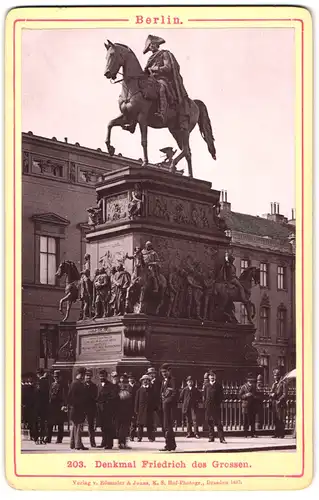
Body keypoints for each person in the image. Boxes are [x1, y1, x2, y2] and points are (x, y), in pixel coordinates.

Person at [143, 34, 189, 125]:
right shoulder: (150, 58)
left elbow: (168, 67)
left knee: (161, 88)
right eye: (149, 46)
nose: (151, 47)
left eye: (152, 45)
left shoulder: (164, 54)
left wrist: (155, 69)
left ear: (156, 44)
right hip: (151, 79)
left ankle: (162, 113)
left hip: (162, 79)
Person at [96, 369, 119, 449]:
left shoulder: (110, 386)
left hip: (108, 410)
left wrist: (105, 402)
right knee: (103, 427)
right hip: (100, 410)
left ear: (106, 376)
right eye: (100, 376)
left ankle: (109, 444)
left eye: (103, 376)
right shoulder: (98, 385)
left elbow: (113, 397)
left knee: (109, 427)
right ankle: (103, 442)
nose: (102, 377)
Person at [203, 370, 226, 443]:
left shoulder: (218, 385)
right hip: (208, 407)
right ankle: (211, 437)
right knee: (209, 422)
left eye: (213, 376)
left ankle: (221, 438)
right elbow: (204, 396)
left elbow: (221, 396)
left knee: (218, 423)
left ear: (215, 377)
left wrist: (218, 403)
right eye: (210, 376)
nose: (212, 377)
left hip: (216, 407)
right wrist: (206, 404)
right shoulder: (206, 385)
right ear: (209, 377)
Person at [67, 367, 88, 450]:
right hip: (78, 408)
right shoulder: (78, 384)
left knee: (74, 427)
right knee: (79, 427)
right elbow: (76, 398)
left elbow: (69, 397)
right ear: (81, 375)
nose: (83, 377)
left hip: (74, 409)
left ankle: (72, 443)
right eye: (83, 375)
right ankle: (78, 444)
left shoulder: (73, 383)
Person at [46, 370, 67, 444]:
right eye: (55, 377)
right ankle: (48, 438)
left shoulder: (63, 385)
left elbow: (65, 396)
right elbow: (50, 394)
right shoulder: (52, 384)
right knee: (50, 423)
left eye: (57, 377)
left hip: (59, 406)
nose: (56, 378)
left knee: (60, 423)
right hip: (52, 406)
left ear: (60, 377)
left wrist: (64, 405)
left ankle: (59, 438)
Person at [159, 364, 177, 451]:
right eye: (162, 372)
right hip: (164, 406)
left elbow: (174, 394)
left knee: (168, 426)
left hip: (169, 407)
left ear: (169, 371)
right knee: (167, 426)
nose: (164, 373)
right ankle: (172, 445)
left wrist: (167, 400)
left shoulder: (172, 380)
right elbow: (162, 392)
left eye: (165, 372)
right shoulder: (163, 381)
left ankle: (169, 445)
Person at [135, 375, 155, 442]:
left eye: (147, 380)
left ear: (149, 381)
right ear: (142, 381)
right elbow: (136, 401)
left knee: (150, 424)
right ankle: (139, 437)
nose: (145, 381)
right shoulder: (139, 390)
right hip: (141, 410)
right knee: (140, 424)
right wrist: (136, 410)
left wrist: (154, 408)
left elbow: (154, 400)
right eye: (144, 380)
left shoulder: (151, 390)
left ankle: (150, 437)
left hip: (149, 410)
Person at [269, 368, 288, 438]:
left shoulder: (283, 383)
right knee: (275, 419)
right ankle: (276, 433)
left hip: (280, 404)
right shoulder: (274, 384)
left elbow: (285, 394)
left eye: (277, 375)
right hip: (274, 403)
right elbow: (271, 392)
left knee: (280, 419)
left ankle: (281, 434)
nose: (275, 377)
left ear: (279, 376)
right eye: (274, 375)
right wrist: (271, 394)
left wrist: (279, 400)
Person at [239, 373, 258, 438]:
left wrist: (253, 395)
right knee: (245, 420)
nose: (250, 380)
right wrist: (245, 395)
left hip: (252, 405)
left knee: (252, 420)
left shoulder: (254, 387)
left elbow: (257, 395)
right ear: (247, 379)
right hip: (245, 405)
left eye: (251, 378)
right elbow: (239, 396)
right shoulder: (243, 387)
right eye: (249, 378)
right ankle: (245, 433)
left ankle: (253, 433)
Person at [34, 368, 50, 444]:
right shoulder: (47, 382)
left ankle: (37, 438)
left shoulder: (39, 382)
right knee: (43, 422)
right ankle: (42, 438)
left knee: (38, 422)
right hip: (45, 405)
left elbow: (36, 394)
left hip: (38, 405)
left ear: (38, 374)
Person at [117, 374, 133, 449]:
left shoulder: (128, 390)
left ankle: (123, 443)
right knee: (123, 428)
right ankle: (121, 443)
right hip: (121, 411)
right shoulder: (121, 391)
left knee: (125, 428)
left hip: (126, 411)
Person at [83, 369, 98, 447]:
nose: (88, 377)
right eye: (86, 376)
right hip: (82, 408)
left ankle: (92, 442)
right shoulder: (81, 385)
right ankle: (78, 442)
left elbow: (95, 396)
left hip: (90, 409)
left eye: (89, 376)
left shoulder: (94, 386)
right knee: (80, 426)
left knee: (91, 426)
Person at [148, 367, 162, 438]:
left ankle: (159, 428)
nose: (152, 375)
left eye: (153, 374)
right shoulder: (147, 382)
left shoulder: (158, 381)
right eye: (150, 374)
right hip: (149, 402)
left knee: (158, 415)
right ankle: (152, 430)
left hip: (157, 401)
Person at [128, 373, 139, 441]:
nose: (131, 379)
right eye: (130, 378)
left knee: (133, 422)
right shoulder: (125, 386)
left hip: (134, 406)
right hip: (127, 406)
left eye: (132, 378)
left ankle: (131, 436)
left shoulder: (137, 386)